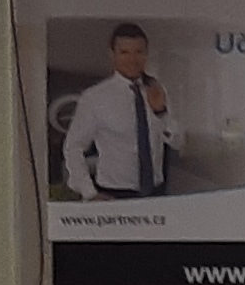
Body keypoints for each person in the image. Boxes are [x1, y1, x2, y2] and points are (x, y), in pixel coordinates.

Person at [68, 18, 175, 196]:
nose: (133, 59)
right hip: (114, 194)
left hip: (156, 193)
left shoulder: (157, 91)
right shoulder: (94, 98)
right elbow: (73, 147)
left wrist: (161, 112)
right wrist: (89, 193)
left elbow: (177, 141)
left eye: (139, 52)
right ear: (112, 54)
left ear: (146, 54)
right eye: (124, 52)